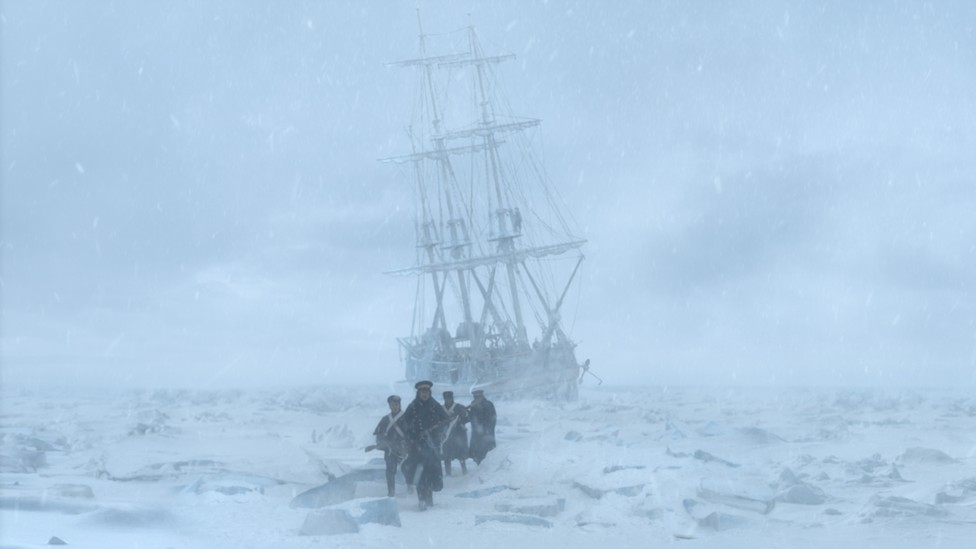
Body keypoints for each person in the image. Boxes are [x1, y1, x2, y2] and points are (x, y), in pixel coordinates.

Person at [401, 380, 449, 510]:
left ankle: (429, 498)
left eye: (426, 391)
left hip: (432, 446)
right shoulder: (412, 407)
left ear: (429, 392)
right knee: (420, 473)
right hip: (417, 447)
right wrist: (411, 436)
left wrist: (440, 433)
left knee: (432, 473)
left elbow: (445, 421)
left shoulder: (435, 405)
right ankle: (422, 499)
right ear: (418, 392)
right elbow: (404, 424)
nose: (424, 394)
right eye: (422, 391)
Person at [371, 395, 408, 497]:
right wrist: (382, 442)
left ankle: (410, 488)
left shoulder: (406, 418)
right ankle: (391, 492)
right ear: (389, 406)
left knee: (407, 470)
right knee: (390, 472)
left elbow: (411, 434)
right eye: (393, 405)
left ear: (399, 405)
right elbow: (378, 435)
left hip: (403, 450)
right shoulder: (385, 419)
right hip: (390, 450)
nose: (395, 406)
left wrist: (406, 444)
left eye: (396, 404)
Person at [440, 391, 469, 476]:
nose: (448, 400)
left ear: (452, 398)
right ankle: (448, 473)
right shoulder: (441, 409)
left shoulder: (459, 407)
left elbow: (467, 418)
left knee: (461, 454)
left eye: (449, 398)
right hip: (447, 435)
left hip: (458, 434)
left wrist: (463, 415)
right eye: (446, 398)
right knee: (446, 455)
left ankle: (464, 471)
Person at [467, 389, 497, 465]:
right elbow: (472, 417)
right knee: (478, 454)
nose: (476, 398)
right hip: (477, 433)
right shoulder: (473, 405)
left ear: (482, 396)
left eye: (478, 397)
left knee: (487, 453)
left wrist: (487, 430)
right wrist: (467, 413)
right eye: (475, 397)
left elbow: (492, 419)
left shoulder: (488, 405)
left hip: (486, 433)